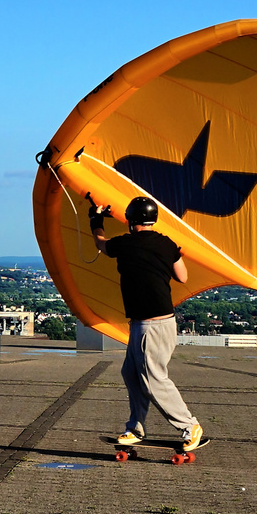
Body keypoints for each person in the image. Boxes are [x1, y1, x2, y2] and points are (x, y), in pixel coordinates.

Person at [90, 194, 204, 453]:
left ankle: (189, 425)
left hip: (151, 326)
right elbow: (183, 277)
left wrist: (96, 219)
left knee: (154, 378)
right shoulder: (166, 244)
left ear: (131, 220)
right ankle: (135, 427)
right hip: (155, 322)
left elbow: (102, 244)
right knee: (130, 373)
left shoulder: (126, 244)